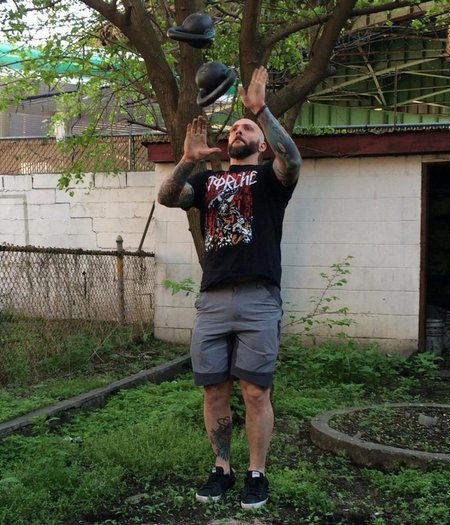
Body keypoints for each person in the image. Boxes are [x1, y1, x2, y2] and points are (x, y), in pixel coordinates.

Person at [157, 66, 301, 509]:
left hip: (259, 297)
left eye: (247, 127)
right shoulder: (206, 181)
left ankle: (257, 472)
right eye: (235, 126)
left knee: (256, 391)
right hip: (214, 299)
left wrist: (260, 109)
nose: (238, 130)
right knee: (213, 389)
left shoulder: (271, 180)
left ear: (261, 143)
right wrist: (187, 160)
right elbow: (166, 196)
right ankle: (222, 468)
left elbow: (292, 159)